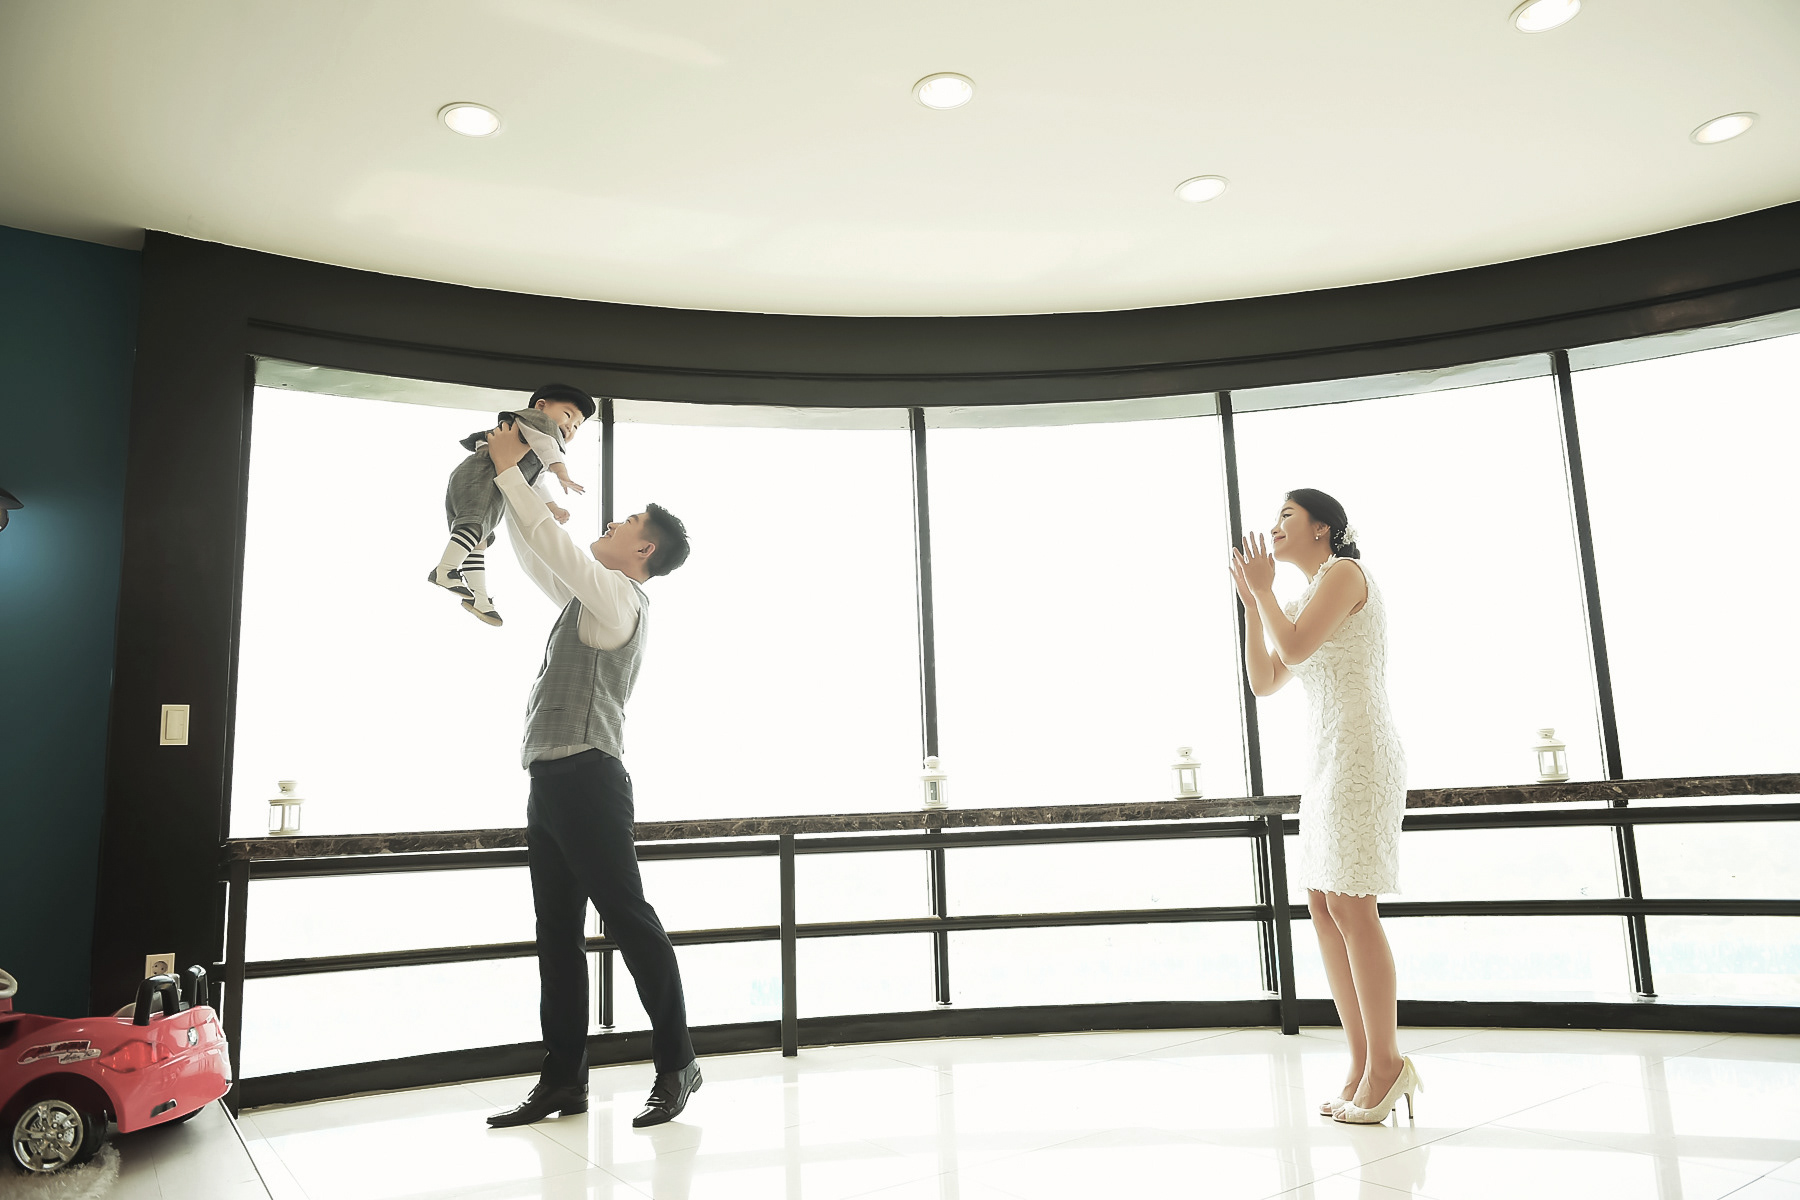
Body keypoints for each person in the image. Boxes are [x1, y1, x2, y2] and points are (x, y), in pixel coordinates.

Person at [478, 407, 703, 1130]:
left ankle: (678, 1063)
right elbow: (537, 553)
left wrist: (512, 470)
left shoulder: (617, 595)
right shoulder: (588, 597)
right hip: (550, 782)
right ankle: (563, 1082)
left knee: (630, 921)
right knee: (557, 938)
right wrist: (515, 482)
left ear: (643, 550)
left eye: (622, 523)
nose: (607, 524)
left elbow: (557, 547)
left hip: (590, 780)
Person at [1228, 488, 1420, 1125]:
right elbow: (1264, 679)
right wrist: (1254, 605)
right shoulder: (1302, 596)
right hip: (1326, 759)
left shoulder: (1343, 574)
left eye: (1287, 515)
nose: (1275, 525)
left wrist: (1263, 593)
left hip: (1362, 753)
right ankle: (1362, 1062)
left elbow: (1296, 650)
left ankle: (1387, 1062)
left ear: (1322, 528)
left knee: (1352, 904)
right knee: (1323, 903)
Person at [428, 383, 592, 626]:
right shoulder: (535, 421)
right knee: (475, 527)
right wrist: (562, 473)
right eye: (568, 415)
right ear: (541, 406)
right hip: (482, 474)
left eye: (577, 426)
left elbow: (535, 484)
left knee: (478, 539)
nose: (570, 426)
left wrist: (553, 507)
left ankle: (479, 598)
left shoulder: (535, 452)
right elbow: (548, 446)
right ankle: (445, 570)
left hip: (479, 479)